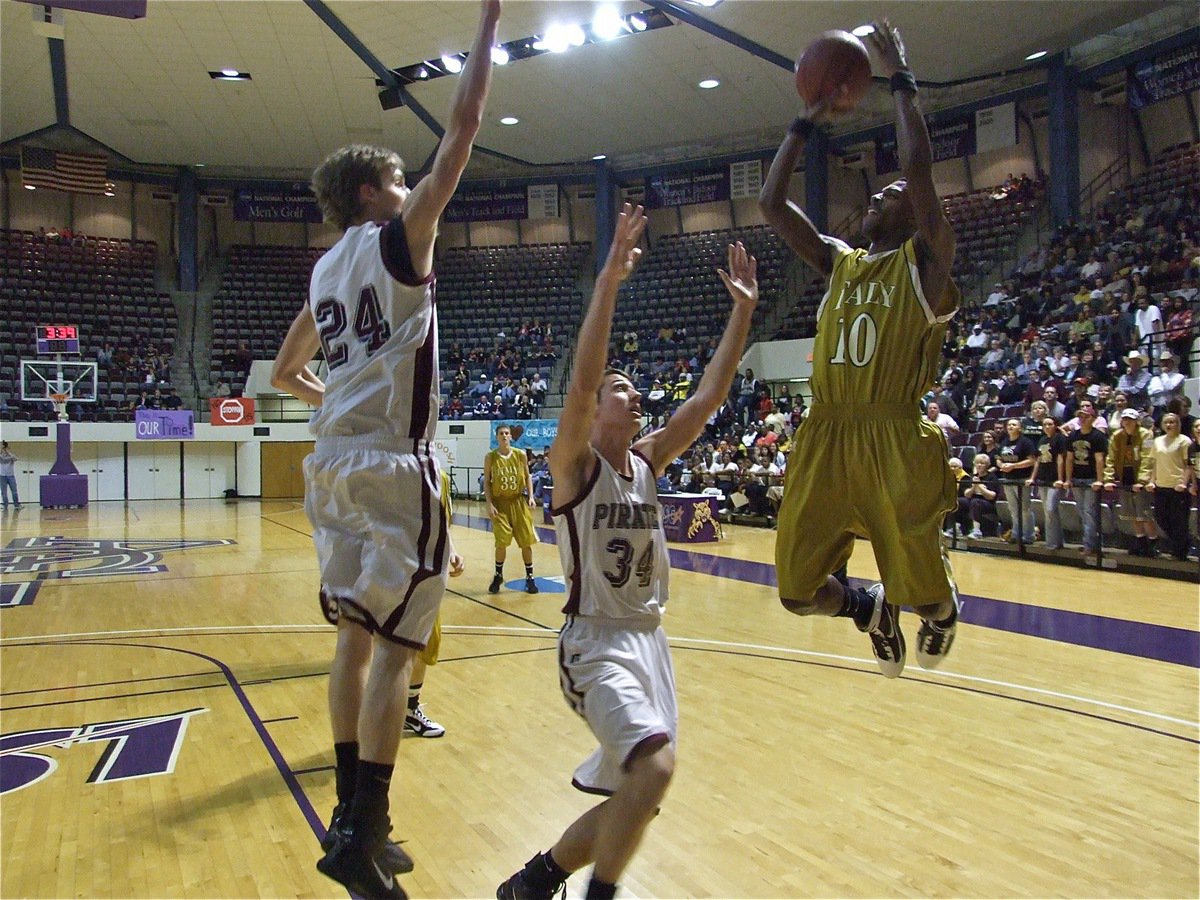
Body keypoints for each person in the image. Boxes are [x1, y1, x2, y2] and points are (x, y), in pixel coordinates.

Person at [268, 4, 500, 896]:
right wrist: (486, 26)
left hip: (331, 465)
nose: (412, 190)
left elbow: (286, 370)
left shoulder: (324, 270)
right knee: (401, 650)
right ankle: (362, 834)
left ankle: (354, 818)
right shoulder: (400, 242)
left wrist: (338, 403)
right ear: (372, 192)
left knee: (356, 641)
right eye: (400, 180)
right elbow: (468, 130)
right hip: (396, 469)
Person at [495, 208, 758, 900]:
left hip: (650, 643)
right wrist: (609, 277)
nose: (631, 394)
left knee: (641, 796)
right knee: (657, 769)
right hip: (595, 645)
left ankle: (536, 878)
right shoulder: (573, 468)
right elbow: (581, 386)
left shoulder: (649, 462)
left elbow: (707, 399)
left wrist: (742, 316)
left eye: (633, 390)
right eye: (621, 389)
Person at [758, 20, 960, 678]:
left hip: (894, 438)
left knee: (926, 599)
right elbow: (770, 203)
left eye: (894, 195)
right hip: (827, 435)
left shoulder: (926, 266)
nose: (882, 194)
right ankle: (866, 608)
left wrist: (900, 77)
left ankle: (942, 608)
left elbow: (919, 170)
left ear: (915, 216)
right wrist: (802, 120)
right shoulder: (839, 262)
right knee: (795, 592)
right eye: (878, 192)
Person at [485, 424, 539, 595]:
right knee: (501, 542)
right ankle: (498, 574)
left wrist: (530, 496)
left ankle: (530, 577)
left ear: (510, 436)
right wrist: (489, 503)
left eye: (507, 433)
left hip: (518, 501)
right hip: (500, 504)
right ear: (496, 437)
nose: (504, 436)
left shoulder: (520, 454)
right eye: (501, 433)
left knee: (526, 542)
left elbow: (528, 476)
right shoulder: (490, 457)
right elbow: (487, 481)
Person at [1102, 408, 1155, 556]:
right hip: (1125, 475)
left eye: (1130, 419)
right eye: (1125, 419)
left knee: (1144, 513)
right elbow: (1110, 459)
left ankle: (1153, 541)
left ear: (1137, 421)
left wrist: (1143, 481)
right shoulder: (1116, 436)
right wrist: (1108, 479)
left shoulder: (1147, 434)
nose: (1127, 422)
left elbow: (1148, 458)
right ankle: (1140, 541)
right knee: (1131, 513)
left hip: (1140, 476)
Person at [1146, 413, 1194, 561]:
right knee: (1160, 517)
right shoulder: (1158, 441)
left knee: (1178, 520)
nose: (1169, 425)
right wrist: (1152, 481)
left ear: (1178, 424)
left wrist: (1184, 483)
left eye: (1172, 422)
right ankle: (1183, 543)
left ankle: (1180, 552)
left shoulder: (1184, 441)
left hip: (1177, 487)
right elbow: (1154, 463)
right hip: (1161, 485)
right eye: (1166, 422)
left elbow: (1189, 465)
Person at [1064, 400, 1107, 554]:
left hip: (1091, 479)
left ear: (1093, 418)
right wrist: (1068, 479)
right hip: (1076, 478)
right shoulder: (1072, 436)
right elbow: (1069, 459)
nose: (1083, 419)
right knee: (1082, 512)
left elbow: (1099, 459)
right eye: (1080, 417)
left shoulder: (1098, 436)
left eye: (1086, 417)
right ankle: (1092, 542)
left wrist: (1099, 479)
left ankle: (1089, 545)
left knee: (1089, 512)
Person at [996, 418, 1037, 543]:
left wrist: (1013, 466)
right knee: (1013, 509)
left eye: (1014, 424)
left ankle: (1028, 536)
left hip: (1022, 480)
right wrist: (1001, 465)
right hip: (1008, 480)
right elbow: (998, 458)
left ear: (1020, 428)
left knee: (1025, 509)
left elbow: (1032, 460)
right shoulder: (1004, 442)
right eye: (1009, 425)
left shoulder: (1025, 442)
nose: (1011, 426)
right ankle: (1016, 534)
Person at [1032, 416, 1068, 550]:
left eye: (1050, 424)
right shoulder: (1042, 440)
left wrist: (1060, 478)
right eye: (1045, 424)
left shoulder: (1059, 438)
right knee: (1048, 512)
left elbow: (1060, 459)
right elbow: (1038, 460)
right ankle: (1057, 541)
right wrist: (1033, 477)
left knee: (1051, 509)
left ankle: (1052, 542)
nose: (1047, 427)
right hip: (1042, 478)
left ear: (1056, 425)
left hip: (1054, 479)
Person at [0, 441, 20, 508]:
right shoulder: (0, 457)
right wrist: (2, 450)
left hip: (11, 476)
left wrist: (8, 452)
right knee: (4, 492)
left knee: (14, 491)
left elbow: (16, 458)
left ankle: (16, 505)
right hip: (2, 476)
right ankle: (5, 505)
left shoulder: (11, 457)